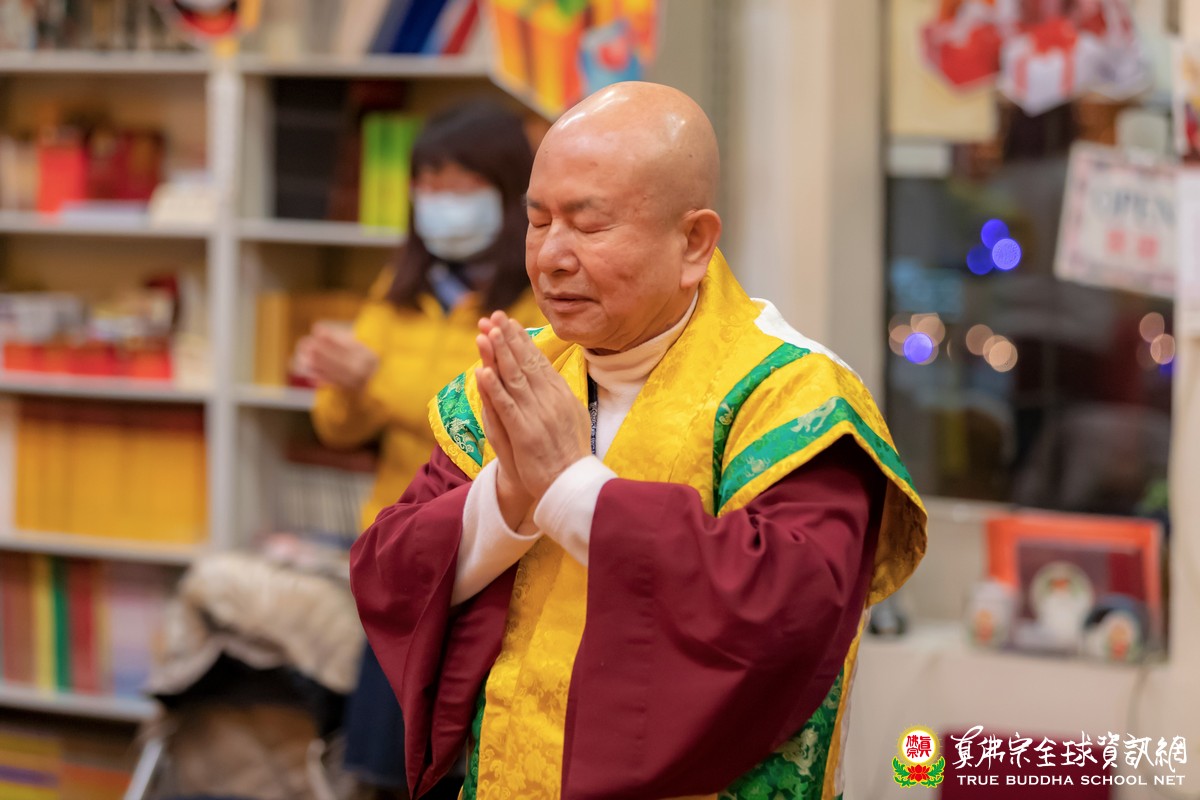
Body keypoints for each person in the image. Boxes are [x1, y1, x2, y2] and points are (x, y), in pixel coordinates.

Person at [350, 82, 927, 800]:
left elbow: (788, 609)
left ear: (693, 243)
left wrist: (571, 488)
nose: (551, 257)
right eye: (537, 221)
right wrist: (510, 493)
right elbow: (390, 571)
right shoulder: (521, 375)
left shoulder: (793, 397)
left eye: (588, 226)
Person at [297, 101, 545, 799]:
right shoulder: (398, 287)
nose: (441, 203)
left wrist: (375, 381)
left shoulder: (537, 301)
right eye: (428, 186)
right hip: (397, 540)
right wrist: (345, 385)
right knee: (389, 749)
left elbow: (492, 424)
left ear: (510, 193)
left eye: (461, 186)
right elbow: (335, 428)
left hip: (491, 548)